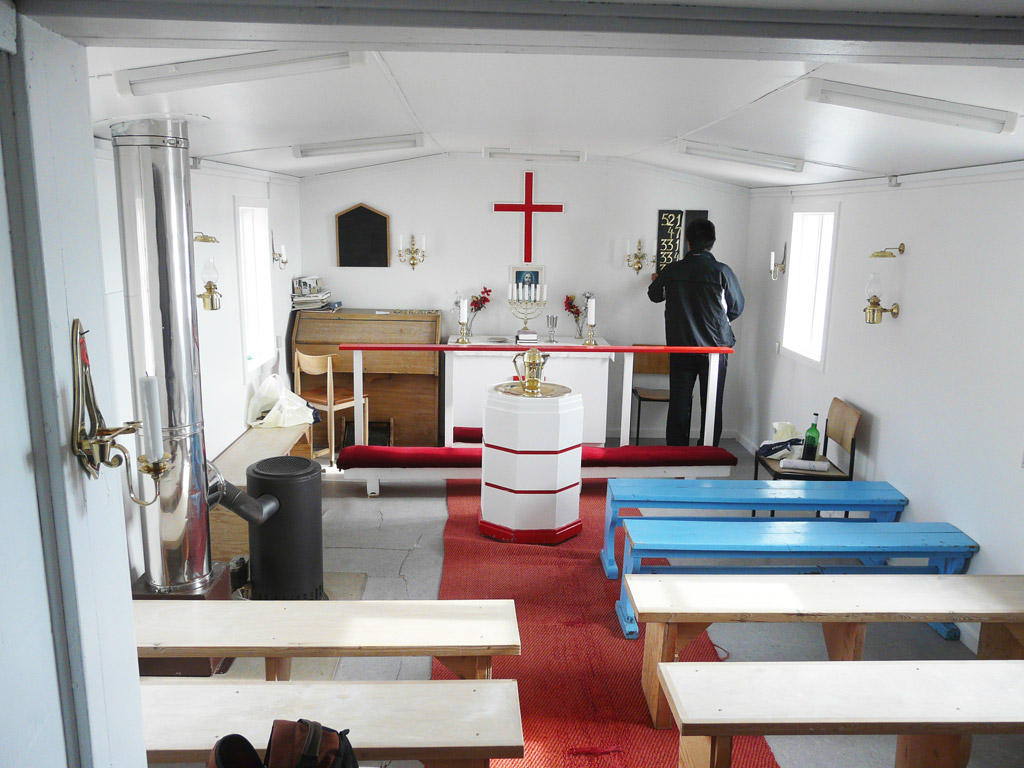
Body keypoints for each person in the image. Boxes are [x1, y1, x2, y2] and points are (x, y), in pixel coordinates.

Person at [647, 218, 744, 446]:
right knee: (711, 404)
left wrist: (662, 280)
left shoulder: (672, 269)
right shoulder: (722, 271)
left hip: (681, 347)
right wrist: (717, 321)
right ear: (712, 242)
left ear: (688, 243)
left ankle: (676, 456)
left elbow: (654, 295)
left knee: (679, 404)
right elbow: (737, 307)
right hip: (715, 350)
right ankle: (707, 453)